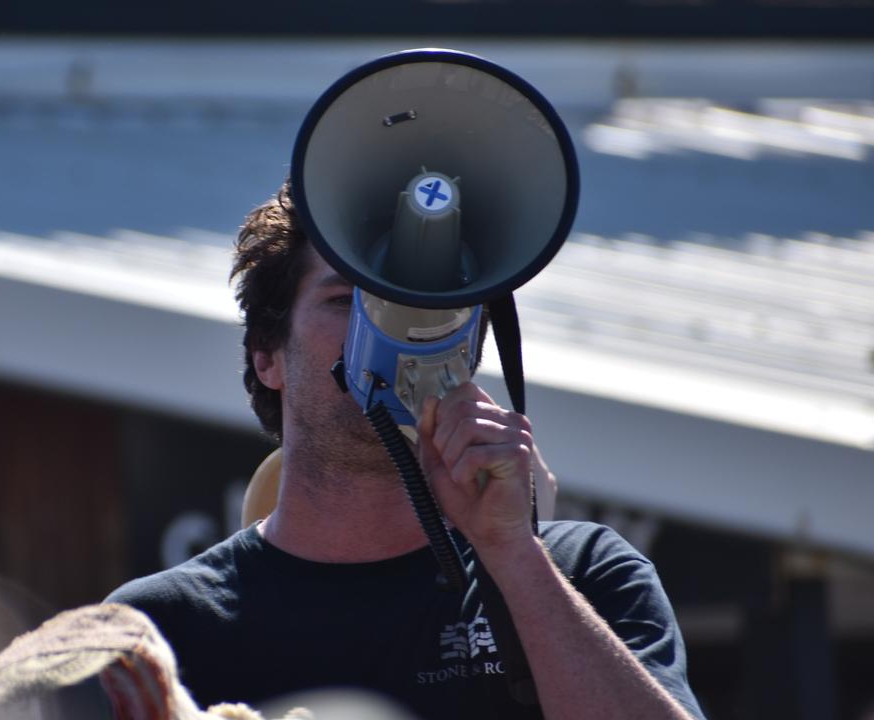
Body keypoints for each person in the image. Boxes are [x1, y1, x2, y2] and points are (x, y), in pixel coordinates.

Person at [107, 182, 705, 720]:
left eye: (424, 307)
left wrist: (513, 555)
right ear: (268, 355)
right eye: (346, 302)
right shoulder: (155, 632)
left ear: (467, 345)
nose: (388, 331)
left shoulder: (584, 573)